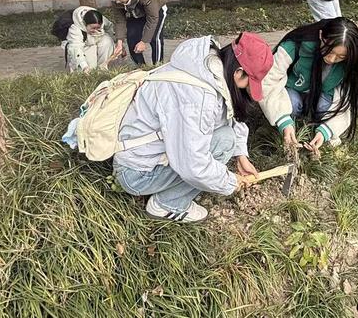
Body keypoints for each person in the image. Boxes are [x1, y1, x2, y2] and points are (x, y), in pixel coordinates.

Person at [113, 33, 274, 223]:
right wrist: (229, 182)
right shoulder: (198, 98)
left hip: (140, 153)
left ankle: (167, 193)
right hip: (136, 173)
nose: (247, 89)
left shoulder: (205, 65)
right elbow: (193, 164)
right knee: (224, 142)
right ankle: (167, 205)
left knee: (227, 138)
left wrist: (241, 155)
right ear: (238, 72)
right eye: (250, 82)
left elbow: (228, 113)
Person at [260, 17, 358, 154]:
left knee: (324, 108)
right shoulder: (295, 45)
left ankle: (316, 120)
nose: (331, 59)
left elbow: (347, 102)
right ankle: (290, 118)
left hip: (323, 95)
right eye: (329, 51)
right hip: (294, 90)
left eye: (341, 57)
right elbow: (267, 82)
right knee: (293, 104)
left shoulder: (353, 62)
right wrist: (283, 120)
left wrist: (326, 131)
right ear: (321, 35)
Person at [108, 0, 168, 65]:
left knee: (154, 38)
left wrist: (144, 41)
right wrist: (119, 42)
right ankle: (141, 66)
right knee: (132, 38)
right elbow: (119, 21)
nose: (117, 2)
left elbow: (152, 19)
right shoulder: (115, 0)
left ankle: (157, 65)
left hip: (156, 10)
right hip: (135, 12)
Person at [65, 6, 117, 73]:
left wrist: (118, 45)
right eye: (93, 28)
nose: (95, 30)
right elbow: (76, 48)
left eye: (98, 27)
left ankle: (103, 68)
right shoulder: (75, 29)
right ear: (85, 24)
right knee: (90, 68)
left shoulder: (102, 20)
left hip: (98, 41)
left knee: (107, 40)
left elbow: (110, 28)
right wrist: (84, 66)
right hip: (84, 47)